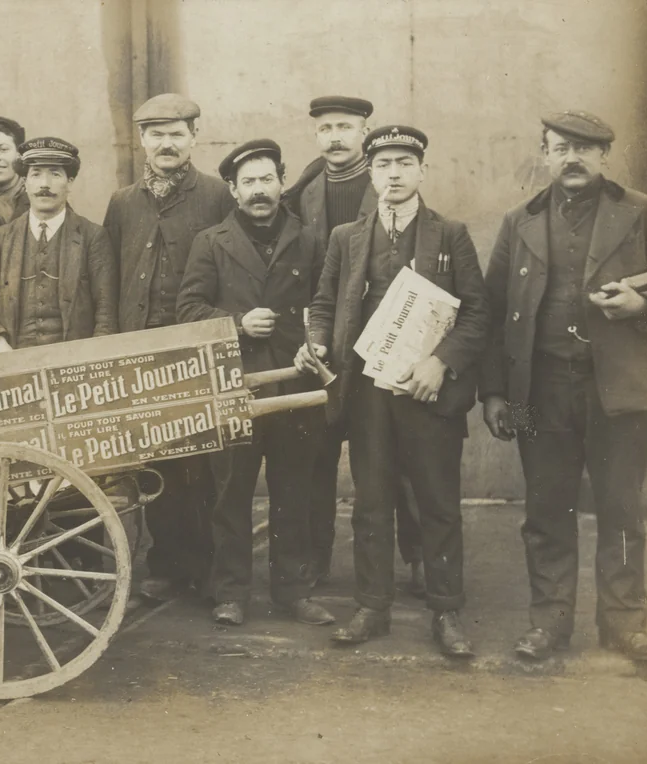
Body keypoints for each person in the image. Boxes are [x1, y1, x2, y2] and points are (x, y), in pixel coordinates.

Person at [299, 126, 489, 657]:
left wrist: (440, 363)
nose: (394, 174)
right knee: (372, 501)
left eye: (405, 163)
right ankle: (371, 606)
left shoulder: (450, 234)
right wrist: (316, 341)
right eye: (384, 165)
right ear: (372, 172)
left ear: (422, 170)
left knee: (437, 502)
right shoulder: (346, 236)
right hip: (367, 392)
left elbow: (477, 312)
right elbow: (322, 303)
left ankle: (447, 611)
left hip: (426, 391)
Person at [480, 111, 647, 663]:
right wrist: (495, 394)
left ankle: (625, 624)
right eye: (561, 148)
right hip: (537, 394)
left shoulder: (643, 213)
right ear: (546, 153)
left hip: (619, 392)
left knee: (622, 506)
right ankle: (549, 624)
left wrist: (643, 305)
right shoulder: (519, 221)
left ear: (606, 156)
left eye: (585, 148)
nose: (572, 158)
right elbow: (492, 312)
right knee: (544, 505)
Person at [177, 139, 331, 627]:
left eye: (267, 179)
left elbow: (323, 309)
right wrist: (239, 323)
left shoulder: (308, 240)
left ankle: (292, 591)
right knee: (231, 493)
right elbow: (189, 310)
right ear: (233, 189)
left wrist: (317, 344)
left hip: (294, 387)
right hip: (236, 385)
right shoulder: (211, 241)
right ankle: (231, 593)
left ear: (282, 182)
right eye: (249, 182)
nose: (259, 190)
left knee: (294, 492)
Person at [284, 96, 424, 593]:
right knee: (317, 460)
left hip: (386, 345)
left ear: (364, 130)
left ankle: (418, 558)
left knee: (399, 460)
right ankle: (316, 559)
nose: (336, 137)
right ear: (316, 135)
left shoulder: (388, 182)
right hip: (325, 344)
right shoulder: (303, 193)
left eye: (345, 126)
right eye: (326, 128)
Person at [102, 93, 234, 604]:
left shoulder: (217, 195)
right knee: (152, 459)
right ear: (141, 141)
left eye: (176, 133)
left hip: (195, 346)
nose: (166, 144)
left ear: (194, 138)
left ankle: (205, 568)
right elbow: (110, 275)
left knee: (202, 460)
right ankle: (165, 566)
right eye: (156, 134)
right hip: (140, 347)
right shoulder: (122, 202)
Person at [0, 136, 117, 351]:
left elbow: (106, 311)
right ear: (25, 182)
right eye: (36, 175)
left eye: (55, 174)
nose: (45, 185)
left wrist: (91, 360)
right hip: (14, 360)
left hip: (76, 362)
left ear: (70, 182)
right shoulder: (1, 237)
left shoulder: (93, 237)